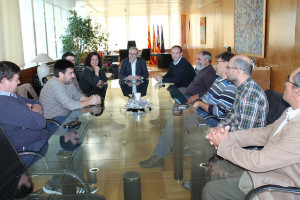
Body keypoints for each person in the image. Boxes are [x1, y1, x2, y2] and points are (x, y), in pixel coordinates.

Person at [139, 54, 268, 169]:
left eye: (229, 68)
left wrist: (220, 135)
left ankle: (200, 176)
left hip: (245, 154)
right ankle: (196, 172)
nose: (226, 70)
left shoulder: (250, 95)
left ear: (238, 71)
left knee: (192, 136)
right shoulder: (242, 89)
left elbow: (246, 136)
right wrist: (219, 128)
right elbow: (232, 116)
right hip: (220, 126)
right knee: (178, 126)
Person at [203, 67, 300, 200]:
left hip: (281, 188)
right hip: (268, 174)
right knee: (215, 177)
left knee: (211, 190)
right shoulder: (291, 111)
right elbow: (266, 133)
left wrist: (224, 144)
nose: (285, 84)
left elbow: (260, 162)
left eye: (288, 81)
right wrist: (226, 136)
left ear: (298, 91)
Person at [0, 61, 51, 168]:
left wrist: (31, 109)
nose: (19, 82)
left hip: (37, 140)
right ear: (4, 81)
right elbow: (40, 122)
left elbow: (36, 102)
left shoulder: (10, 95)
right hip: (27, 151)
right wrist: (31, 111)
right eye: (16, 79)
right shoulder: (5, 104)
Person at [40, 59, 101, 125]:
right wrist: (90, 102)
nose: (73, 75)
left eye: (73, 72)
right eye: (70, 73)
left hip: (66, 116)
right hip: (53, 120)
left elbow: (77, 95)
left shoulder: (67, 81)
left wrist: (91, 99)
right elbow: (70, 105)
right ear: (60, 74)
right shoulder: (55, 85)